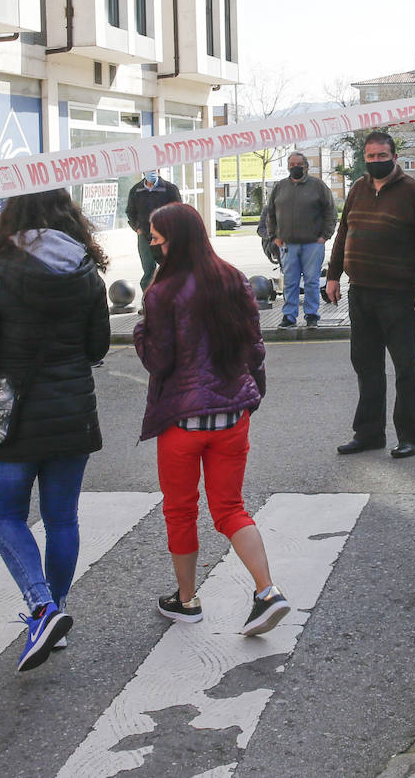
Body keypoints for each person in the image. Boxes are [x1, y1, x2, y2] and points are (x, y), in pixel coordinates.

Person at [0, 191, 110, 672]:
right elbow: (97, 345)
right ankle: (55, 611)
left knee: (5, 515)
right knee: (62, 519)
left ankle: (43, 607)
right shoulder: (85, 268)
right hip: (71, 409)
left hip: (11, 413)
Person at [134, 203, 290, 636]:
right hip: (231, 416)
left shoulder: (162, 291)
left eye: (156, 237)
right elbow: (255, 347)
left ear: (173, 240)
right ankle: (267, 591)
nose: (152, 243)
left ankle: (187, 601)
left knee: (181, 511)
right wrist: (250, 397)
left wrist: (140, 332)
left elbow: (158, 361)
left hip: (183, 423)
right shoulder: (233, 278)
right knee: (230, 509)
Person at [325, 131, 415, 459]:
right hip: (361, 292)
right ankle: (368, 433)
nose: (376, 161)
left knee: (405, 367)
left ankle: (411, 436)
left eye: (382, 156)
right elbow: (343, 233)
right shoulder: (358, 189)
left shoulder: (413, 192)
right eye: (371, 156)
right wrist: (333, 276)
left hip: (400, 295)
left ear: (393, 155)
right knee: (366, 366)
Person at [264, 150, 336, 329]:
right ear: (288, 167)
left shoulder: (318, 186)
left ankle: (312, 316)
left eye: (299, 165)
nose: (295, 168)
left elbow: (330, 212)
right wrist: (274, 237)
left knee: (312, 281)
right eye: (292, 165)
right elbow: (270, 214)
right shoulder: (280, 187)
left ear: (306, 167)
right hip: (288, 245)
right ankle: (289, 317)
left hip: (313, 244)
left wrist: (324, 236)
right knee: (290, 282)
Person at [126, 169, 182, 291]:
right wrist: (137, 228)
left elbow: (178, 210)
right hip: (145, 236)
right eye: (148, 169)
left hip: (165, 236)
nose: (151, 172)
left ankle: (171, 298)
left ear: (158, 170)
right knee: (148, 271)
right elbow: (130, 212)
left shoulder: (169, 189)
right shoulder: (136, 190)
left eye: (154, 169)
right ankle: (148, 303)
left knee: (168, 268)